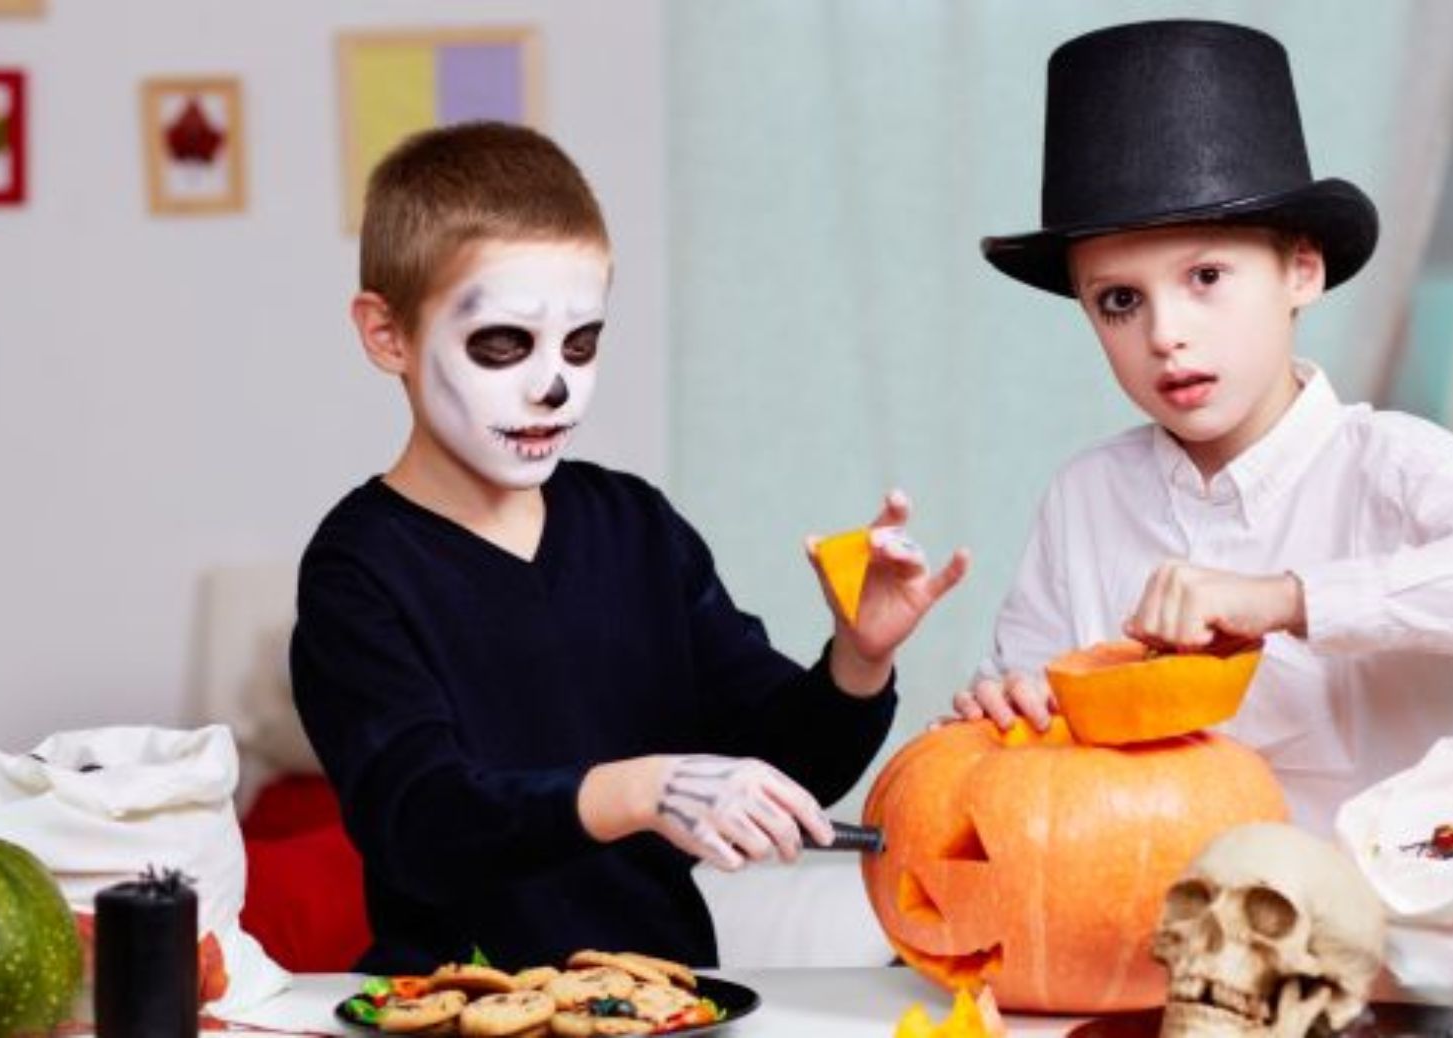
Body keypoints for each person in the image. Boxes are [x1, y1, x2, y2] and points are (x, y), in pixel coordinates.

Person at [289, 120, 968, 974]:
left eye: (582, 343)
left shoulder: (637, 526)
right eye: (503, 344)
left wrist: (858, 662)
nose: (554, 384)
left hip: (662, 1000)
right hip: (454, 1005)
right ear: (388, 334)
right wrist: (641, 791)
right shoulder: (359, 570)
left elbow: (784, 767)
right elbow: (421, 821)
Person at [955, 19, 1453, 835]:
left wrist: (1289, 600)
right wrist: (1003, 716)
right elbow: (1016, 745)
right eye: (1119, 300)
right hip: (1146, 936)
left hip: (1386, 940)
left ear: (1301, 269)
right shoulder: (1086, 496)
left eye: (1207, 276)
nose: (1164, 334)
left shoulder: (1393, 466)